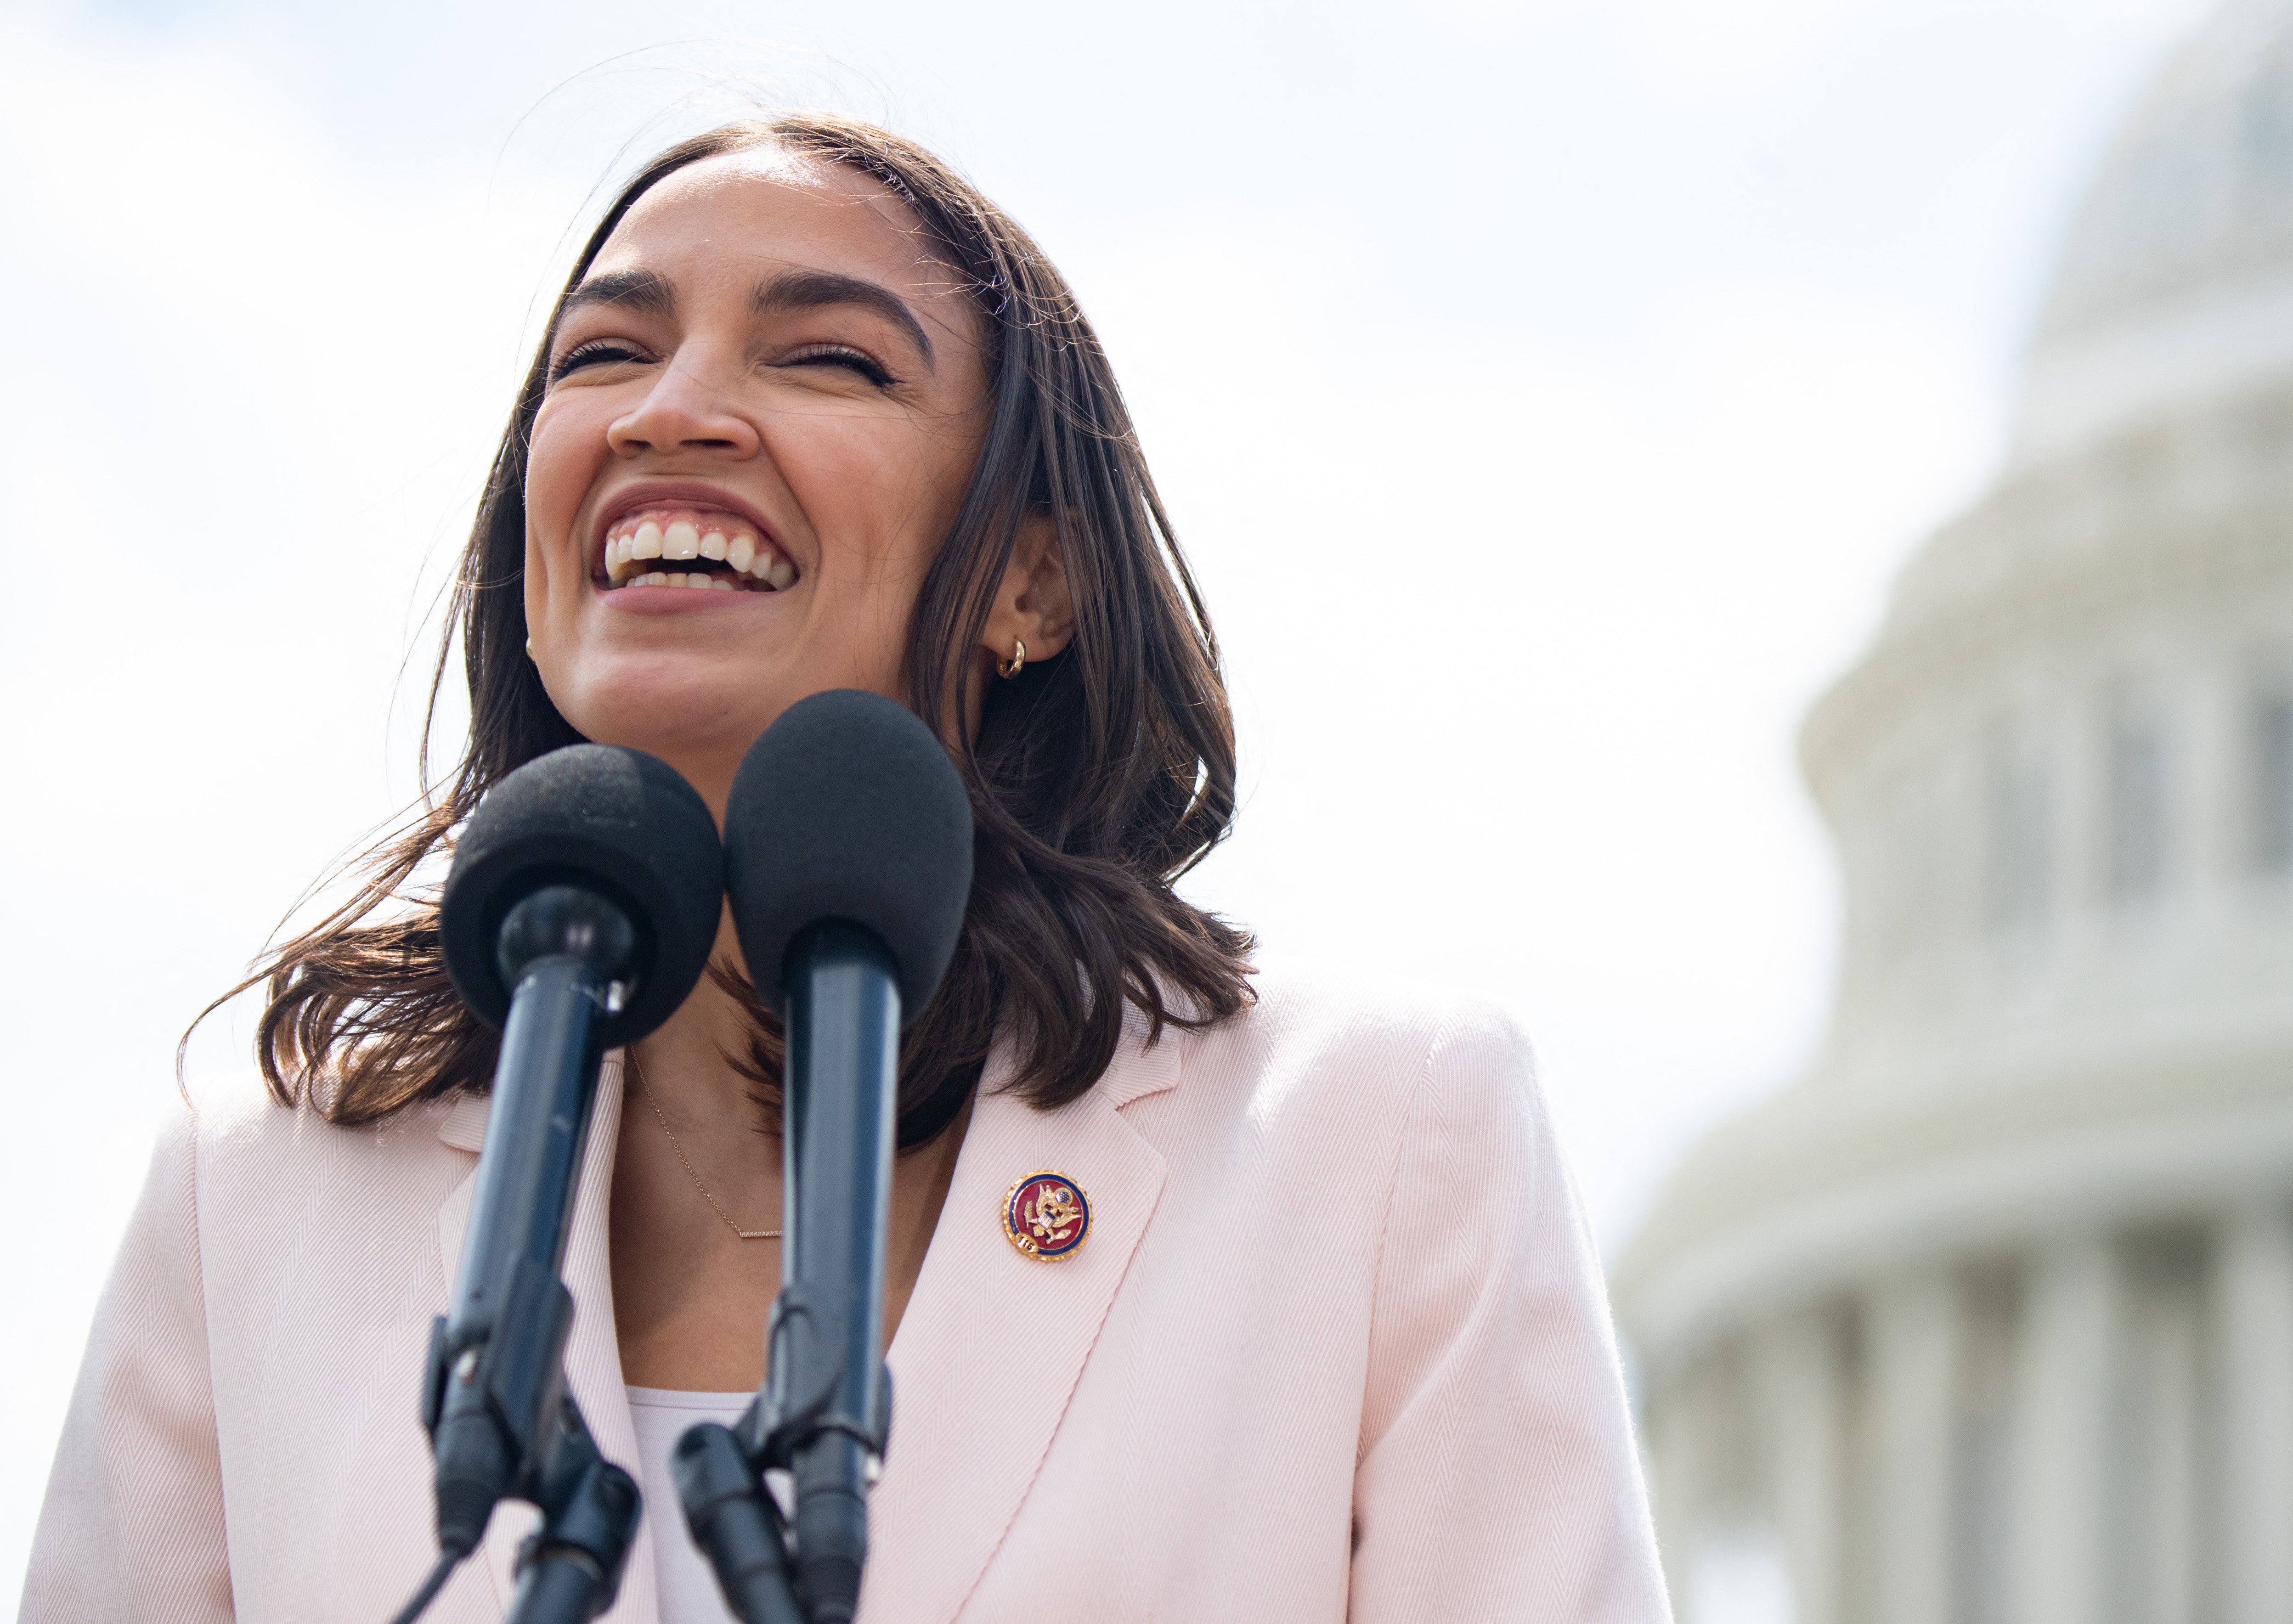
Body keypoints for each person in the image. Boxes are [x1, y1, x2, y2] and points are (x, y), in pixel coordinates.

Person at [21, 114, 1667, 1623]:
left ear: (1034, 580)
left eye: (830, 360)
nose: (670, 412)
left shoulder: (1375, 1138)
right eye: (604, 353)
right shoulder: (253, 1188)